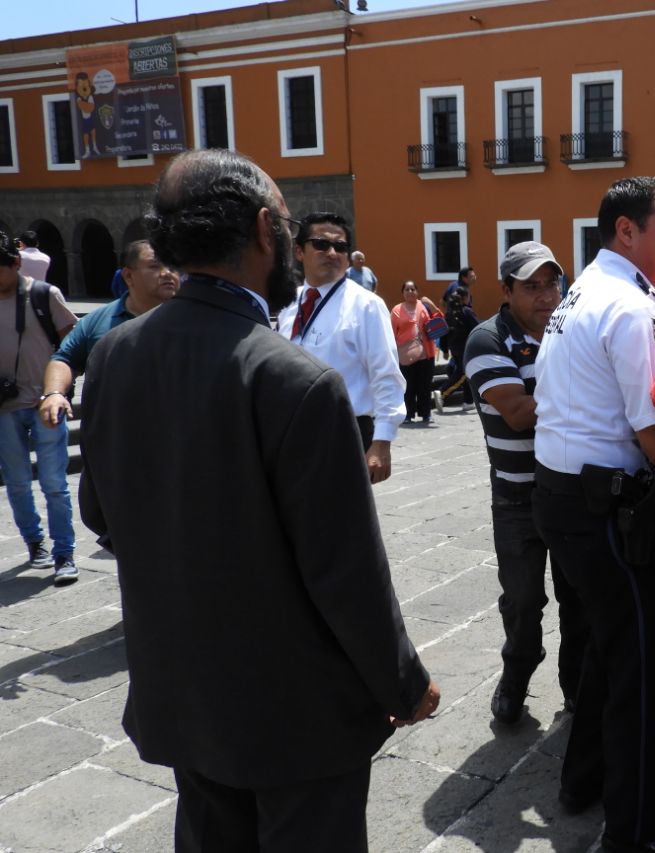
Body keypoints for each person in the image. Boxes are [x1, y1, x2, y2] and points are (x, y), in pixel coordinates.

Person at [77, 149, 438, 852]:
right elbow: (345, 571)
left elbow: (99, 512)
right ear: (266, 232)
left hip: (183, 692)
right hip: (296, 717)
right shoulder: (296, 379)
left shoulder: (116, 355)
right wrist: (403, 682)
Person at [533, 176, 655, 853]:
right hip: (607, 509)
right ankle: (641, 831)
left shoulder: (586, 290)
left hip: (565, 498)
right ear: (626, 231)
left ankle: (582, 780)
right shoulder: (629, 309)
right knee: (647, 674)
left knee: (611, 653)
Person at [464, 241, 587, 726]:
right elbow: (518, 414)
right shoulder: (486, 339)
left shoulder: (571, 331)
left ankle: (576, 689)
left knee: (577, 597)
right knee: (522, 600)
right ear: (506, 290)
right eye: (531, 286)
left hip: (571, 491)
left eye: (551, 283)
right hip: (517, 496)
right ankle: (516, 672)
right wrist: (583, 393)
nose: (544, 295)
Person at [276, 212, 405, 484]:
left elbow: (386, 373)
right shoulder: (290, 304)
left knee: (342, 520)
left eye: (341, 247)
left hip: (345, 430)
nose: (332, 253)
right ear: (300, 251)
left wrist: (382, 442)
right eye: (321, 244)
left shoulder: (366, 305)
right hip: (293, 429)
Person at [0, 231, 78, 585]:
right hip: (4, 408)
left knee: (54, 483)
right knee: (16, 484)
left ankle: (64, 552)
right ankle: (36, 544)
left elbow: (74, 341)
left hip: (45, 402)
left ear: (15, 263)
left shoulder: (44, 295)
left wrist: (60, 389)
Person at [38, 240, 178, 429]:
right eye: (155, 266)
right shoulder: (97, 322)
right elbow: (64, 359)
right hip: (116, 437)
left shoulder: (194, 321)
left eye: (173, 265)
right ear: (128, 275)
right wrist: (54, 393)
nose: (167, 272)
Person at [390, 280, 435, 425]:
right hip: (405, 354)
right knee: (408, 386)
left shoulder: (424, 307)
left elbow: (438, 319)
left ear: (417, 291)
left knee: (425, 385)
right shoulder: (397, 310)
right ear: (402, 293)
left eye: (412, 289)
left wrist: (431, 304)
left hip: (426, 353)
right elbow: (391, 332)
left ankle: (426, 414)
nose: (410, 292)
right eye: (407, 289)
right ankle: (408, 414)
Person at [442, 284, 480, 411]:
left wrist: (445, 349)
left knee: (465, 373)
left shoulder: (448, 313)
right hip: (466, 348)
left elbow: (443, 333)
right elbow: (477, 328)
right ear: (465, 298)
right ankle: (443, 392)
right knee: (463, 374)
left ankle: (468, 401)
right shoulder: (467, 311)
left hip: (455, 348)